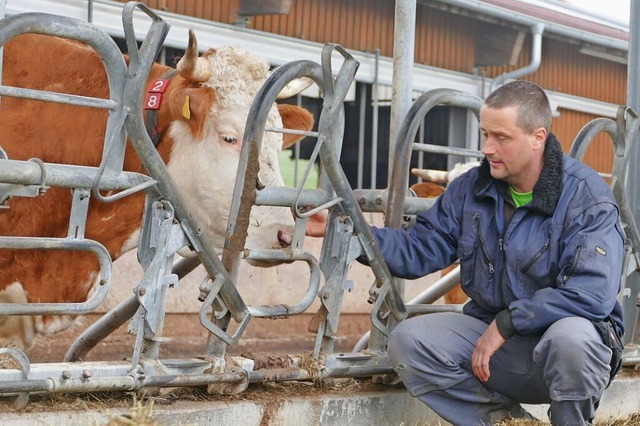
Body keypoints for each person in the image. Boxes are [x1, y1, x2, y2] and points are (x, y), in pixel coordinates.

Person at [369, 80, 625, 425]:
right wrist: (354, 233)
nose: (487, 148)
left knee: (572, 339)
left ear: (538, 137)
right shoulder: (471, 190)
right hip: (496, 349)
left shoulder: (586, 198)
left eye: (501, 138)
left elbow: (591, 295)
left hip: (564, 352)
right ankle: (508, 422)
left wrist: (508, 322)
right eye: (485, 134)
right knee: (409, 341)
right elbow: (419, 249)